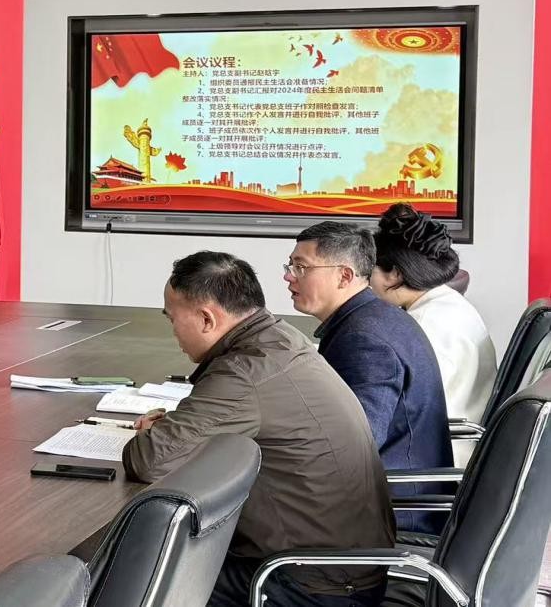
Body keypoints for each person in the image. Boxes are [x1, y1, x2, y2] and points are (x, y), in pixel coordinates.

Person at [124, 251, 394, 607]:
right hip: (346, 563)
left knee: (133, 577)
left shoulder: (244, 371)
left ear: (207, 318)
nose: (172, 330)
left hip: (309, 582)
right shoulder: (279, 338)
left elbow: (150, 461)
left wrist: (150, 435)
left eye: (172, 319)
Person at [287, 221, 452, 534]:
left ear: (344, 276)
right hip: (389, 495)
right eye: (291, 266)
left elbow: (355, 444)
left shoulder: (364, 339)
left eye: (301, 267)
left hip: (394, 513)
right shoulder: (373, 317)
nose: (289, 276)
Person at [370, 203, 496, 466]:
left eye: (370, 269)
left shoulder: (422, 324)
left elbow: (393, 412)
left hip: (434, 460)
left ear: (395, 274)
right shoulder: (450, 302)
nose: (367, 281)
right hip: (458, 444)